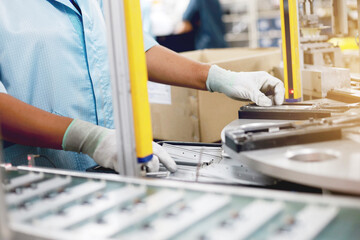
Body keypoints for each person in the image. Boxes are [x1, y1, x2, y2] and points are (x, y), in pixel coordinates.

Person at [0, 0, 285, 173]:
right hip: (33, 177)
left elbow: (135, 48)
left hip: (110, 171)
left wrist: (223, 78)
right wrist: (88, 138)